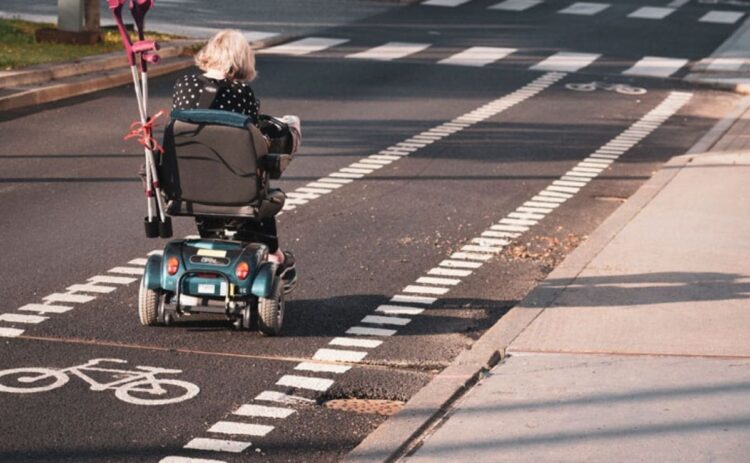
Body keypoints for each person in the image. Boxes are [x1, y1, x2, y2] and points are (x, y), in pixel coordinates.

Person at [171, 29, 295, 276]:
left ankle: (212, 239)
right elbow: (253, 136)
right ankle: (273, 252)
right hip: (235, 183)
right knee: (264, 182)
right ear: (241, 59)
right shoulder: (241, 92)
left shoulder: (184, 84)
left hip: (190, 182)